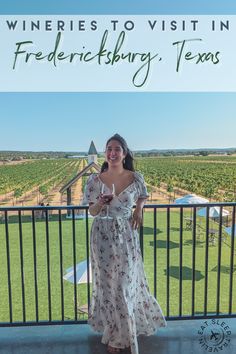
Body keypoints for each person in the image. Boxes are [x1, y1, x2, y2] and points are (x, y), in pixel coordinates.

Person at [84, 134, 166, 354]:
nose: (112, 153)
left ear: (125, 152)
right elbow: (91, 212)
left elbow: (143, 195)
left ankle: (122, 336)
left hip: (127, 236)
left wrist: (139, 208)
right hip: (102, 236)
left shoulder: (135, 178)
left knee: (125, 284)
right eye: (109, 149)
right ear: (105, 153)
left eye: (117, 149)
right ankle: (116, 334)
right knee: (108, 286)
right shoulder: (94, 180)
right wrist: (100, 202)